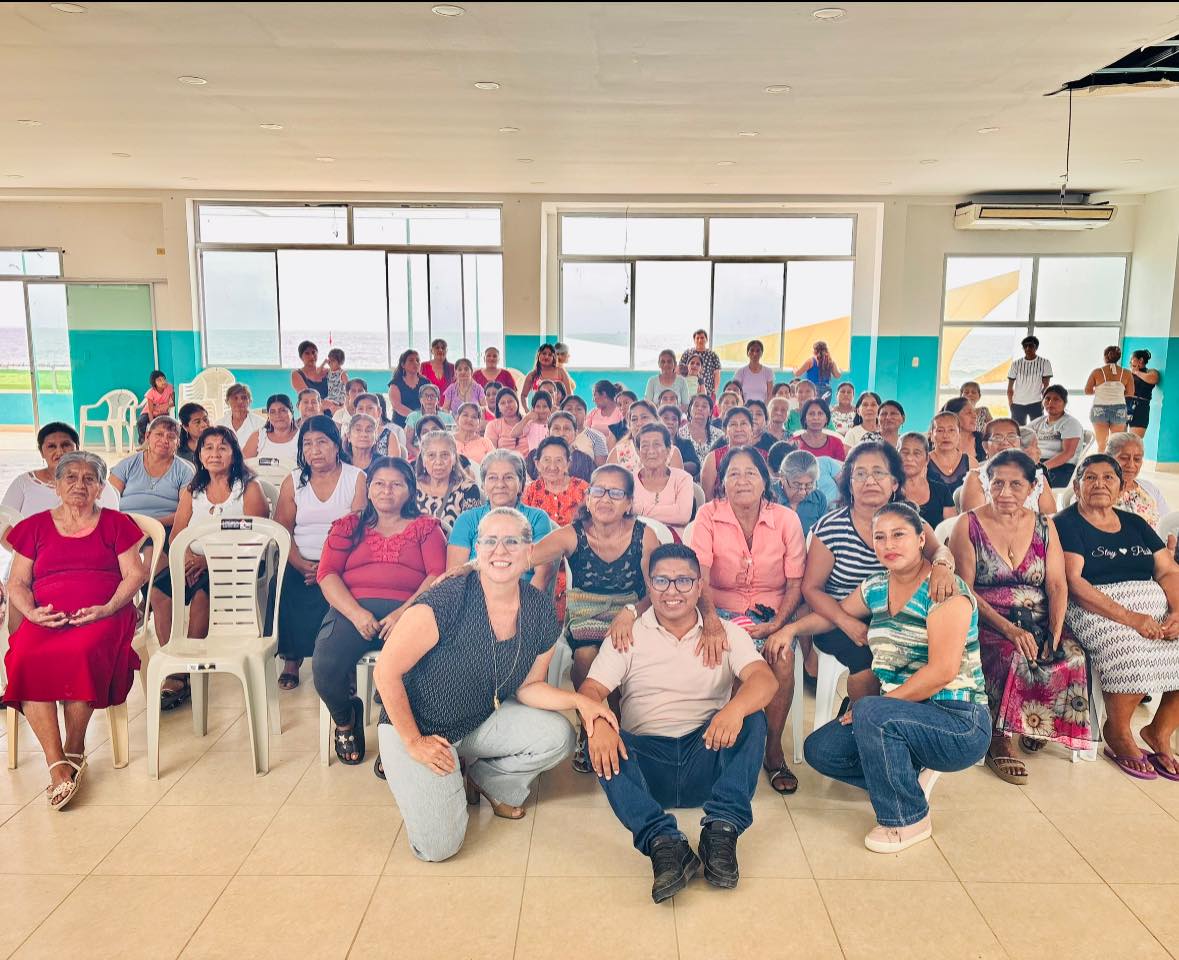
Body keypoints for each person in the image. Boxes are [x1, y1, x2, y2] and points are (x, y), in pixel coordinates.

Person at [375, 507, 613, 859]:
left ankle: (486, 779)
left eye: (511, 541)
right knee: (439, 848)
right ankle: (430, 775)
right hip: (416, 726)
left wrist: (580, 701)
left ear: (529, 550)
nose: (500, 550)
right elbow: (385, 672)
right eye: (490, 541)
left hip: (477, 718)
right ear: (477, 548)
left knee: (557, 736)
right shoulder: (446, 599)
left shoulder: (538, 609)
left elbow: (529, 687)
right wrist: (413, 741)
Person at [580, 543, 777, 901]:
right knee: (598, 733)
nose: (672, 590)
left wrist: (733, 709)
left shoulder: (727, 633)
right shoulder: (628, 635)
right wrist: (602, 725)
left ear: (700, 586)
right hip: (646, 768)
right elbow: (591, 690)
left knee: (752, 717)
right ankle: (664, 842)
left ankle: (721, 830)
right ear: (649, 585)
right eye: (662, 581)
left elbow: (765, 680)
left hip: (706, 753)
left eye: (684, 581)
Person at [803, 503, 989, 853]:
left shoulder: (945, 590)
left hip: (957, 719)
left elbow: (943, 672)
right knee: (821, 750)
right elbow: (833, 616)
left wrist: (876, 707)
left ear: (920, 540)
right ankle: (905, 774)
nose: (888, 544)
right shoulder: (876, 587)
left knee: (870, 710)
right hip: (903, 714)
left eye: (898, 534)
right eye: (880, 537)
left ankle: (908, 819)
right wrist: (787, 631)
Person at [2, 451, 147, 809]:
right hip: (47, 616)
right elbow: (17, 582)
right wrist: (32, 613)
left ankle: (75, 746)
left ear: (100, 488)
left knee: (81, 652)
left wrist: (107, 607)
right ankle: (58, 766)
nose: (79, 485)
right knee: (27, 656)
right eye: (70, 477)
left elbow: (135, 574)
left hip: (104, 614)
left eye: (89, 479)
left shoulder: (116, 523)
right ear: (56, 485)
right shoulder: (35, 526)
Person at [950, 450, 1092, 783]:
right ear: (987, 484)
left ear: (1031, 488)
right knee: (1011, 653)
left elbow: (1056, 584)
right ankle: (999, 737)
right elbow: (963, 588)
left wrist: (1054, 633)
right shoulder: (968, 524)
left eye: (1016, 484)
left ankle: (1036, 719)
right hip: (987, 618)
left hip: (1037, 618)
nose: (1005, 492)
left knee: (1071, 654)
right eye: (997, 483)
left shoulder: (1044, 525)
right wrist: (1009, 629)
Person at [785, 443, 958, 704]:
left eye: (878, 472)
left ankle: (901, 716)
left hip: (896, 615)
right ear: (849, 484)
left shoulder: (908, 522)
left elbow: (940, 551)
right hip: (836, 616)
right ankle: (863, 716)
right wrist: (846, 622)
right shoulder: (831, 528)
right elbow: (811, 588)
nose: (870, 481)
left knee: (927, 653)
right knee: (869, 660)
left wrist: (942, 566)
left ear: (894, 483)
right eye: (860, 474)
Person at [526, 466, 663, 770]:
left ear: (628, 502)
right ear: (588, 498)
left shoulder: (644, 535)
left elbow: (658, 590)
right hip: (585, 612)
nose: (605, 499)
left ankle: (621, 727)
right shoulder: (572, 534)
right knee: (585, 656)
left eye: (616, 493)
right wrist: (473, 566)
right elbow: (527, 556)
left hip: (633, 610)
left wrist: (630, 613)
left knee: (623, 649)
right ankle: (591, 730)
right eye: (598, 491)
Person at [314, 457, 447, 764]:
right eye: (379, 484)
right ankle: (346, 719)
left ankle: (395, 737)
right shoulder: (348, 526)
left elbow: (437, 575)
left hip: (410, 613)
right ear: (369, 489)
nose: (387, 490)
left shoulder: (426, 528)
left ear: (410, 490)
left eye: (396, 484)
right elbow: (327, 574)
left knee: (415, 671)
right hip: (352, 612)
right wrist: (356, 614)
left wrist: (404, 613)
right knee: (325, 667)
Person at [1054, 455, 1179, 780]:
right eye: (1090, 477)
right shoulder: (1067, 523)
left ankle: (1159, 731)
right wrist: (1130, 618)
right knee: (1129, 649)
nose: (1099, 484)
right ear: (1077, 486)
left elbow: (1167, 570)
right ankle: (1118, 732)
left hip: (1152, 610)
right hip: (1096, 609)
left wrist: (1177, 612)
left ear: (1122, 487)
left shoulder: (1136, 524)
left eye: (1108, 478)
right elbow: (1075, 582)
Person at [693, 448, 807, 794]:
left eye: (750, 473)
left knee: (782, 658)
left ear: (765, 480)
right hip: (720, 610)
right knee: (727, 658)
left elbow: (795, 584)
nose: (742, 481)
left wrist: (778, 624)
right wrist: (712, 621)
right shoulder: (708, 516)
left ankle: (773, 748)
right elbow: (700, 579)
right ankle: (731, 747)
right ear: (722, 482)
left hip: (773, 612)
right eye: (733, 474)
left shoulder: (786, 519)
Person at [149, 425, 269, 709]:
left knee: (202, 595)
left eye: (222, 448)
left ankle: (183, 671)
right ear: (200, 455)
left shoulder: (248, 488)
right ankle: (173, 654)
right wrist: (189, 558)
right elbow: (177, 534)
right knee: (158, 591)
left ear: (234, 453)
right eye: (208, 448)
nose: (215, 454)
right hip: (195, 562)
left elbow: (258, 537)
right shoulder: (193, 491)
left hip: (239, 565)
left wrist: (209, 561)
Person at [274, 416, 367, 690]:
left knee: (346, 590)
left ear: (336, 445)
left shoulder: (356, 478)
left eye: (322, 442)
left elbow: (358, 528)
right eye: (307, 444)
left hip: (343, 562)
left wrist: (328, 568)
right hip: (301, 561)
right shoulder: (293, 481)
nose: (314, 450)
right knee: (286, 581)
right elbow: (283, 528)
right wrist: (299, 562)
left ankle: (344, 665)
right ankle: (292, 659)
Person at [447, 449, 554, 591]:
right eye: (492, 478)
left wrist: (526, 603)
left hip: (524, 596)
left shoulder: (537, 518)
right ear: (483, 485)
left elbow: (543, 573)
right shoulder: (467, 520)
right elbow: (455, 576)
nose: (500, 484)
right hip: (474, 597)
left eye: (508, 477)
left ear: (521, 483)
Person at [2, 421, 119, 518]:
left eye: (65, 445)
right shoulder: (23, 483)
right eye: (51, 446)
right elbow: (4, 524)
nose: (59, 452)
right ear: (41, 452)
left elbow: (111, 522)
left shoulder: (96, 483)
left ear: (77, 448)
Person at [108, 415, 195, 524]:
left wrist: (151, 526)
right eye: (159, 434)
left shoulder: (185, 471)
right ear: (147, 436)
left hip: (164, 528)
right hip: (123, 526)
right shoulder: (127, 464)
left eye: (171, 437)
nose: (164, 440)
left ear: (177, 442)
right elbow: (107, 503)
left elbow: (186, 512)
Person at [961, 418, 1057, 515]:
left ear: (1019, 442)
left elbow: (1049, 518)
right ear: (985, 446)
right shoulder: (976, 478)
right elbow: (974, 521)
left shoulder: (1038, 478)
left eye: (1011, 436)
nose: (1005, 442)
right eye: (997, 438)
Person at [630, 423, 695, 536]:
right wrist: (671, 511)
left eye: (657, 444)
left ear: (668, 450)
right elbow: (623, 512)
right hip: (637, 540)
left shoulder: (683, 479)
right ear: (638, 451)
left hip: (674, 542)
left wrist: (638, 510)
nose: (651, 451)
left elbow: (683, 515)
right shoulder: (628, 480)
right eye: (644, 446)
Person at [414, 429, 484, 528]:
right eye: (431, 455)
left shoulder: (468, 489)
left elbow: (471, 530)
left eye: (445, 455)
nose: (438, 462)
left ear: (454, 458)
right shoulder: (412, 487)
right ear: (423, 460)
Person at [701, 406, 767, 500]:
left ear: (752, 429)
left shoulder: (763, 457)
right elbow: (707, 497)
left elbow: (767, 492)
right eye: (733, 424)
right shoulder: (713, 458)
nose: (738, 429)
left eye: (743, 423)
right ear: (725, 431)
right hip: (721, 508)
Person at [1107, 432, 1170, 529]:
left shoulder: (1150, 489)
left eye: (1137, 459)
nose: (1131, 465)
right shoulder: (1099, 492)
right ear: (1108, 458)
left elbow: (1168, 523)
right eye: (1124, 458)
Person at [609, 400, 685, 475]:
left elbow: (678, 482)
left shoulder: (672, 452)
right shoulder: (618, 452)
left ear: (656, 420)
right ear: (629, 425)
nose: (639, 423)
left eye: (644, 417)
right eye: (634, 419)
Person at [1029, 385, 1084, 488]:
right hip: (1038, 464)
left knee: (1027, 484)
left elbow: (1068, 454)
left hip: (1062, 467)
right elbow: (1021, 435)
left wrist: (1042, 468)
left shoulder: (1070, 423)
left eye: (1056, 399)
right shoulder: (1039, 422)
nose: (1050, 403)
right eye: (1047, 399)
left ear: (1064, 403)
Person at [898, 432, 955, 529]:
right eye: (904, 452)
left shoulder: (941, 491)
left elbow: (952, 531)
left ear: (927, 459)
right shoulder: (888, 492)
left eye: (917, 453)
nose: (909, 458)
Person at [1084, 345, 1135, 452]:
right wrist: (1117, 392)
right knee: (1115, 445)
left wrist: (1099, 391)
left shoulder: (1097, 372)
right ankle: (1113, 463)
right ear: (1118, 357)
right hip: (1119, 409)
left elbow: (1087, 391)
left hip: (1099, 408)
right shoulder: (1126, 373)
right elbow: (1130, 393)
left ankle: (1101, 462)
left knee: (1101, 445)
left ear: (1105, 357)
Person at [524, 411, 595, 482]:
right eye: (556, 429)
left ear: (576, 433)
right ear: (548, 433)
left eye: (567, 429)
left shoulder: (585, 460)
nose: (561, 433)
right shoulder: (534, 456)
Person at [773, 449, 828, 536]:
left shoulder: (819, 499)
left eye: (809, 485)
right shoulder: (769, 495)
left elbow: (823, 535)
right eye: (797, 484)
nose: (802, 492)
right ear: (782, 477)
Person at [1007, 336, 1052, 425]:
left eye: (1030, 346)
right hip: (1017, 404)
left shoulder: (1044, 363)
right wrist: (1011, 404)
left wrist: (1043, 403)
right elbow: (1010, 388)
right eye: (1025, 346)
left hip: (1036, 403)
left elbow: (1046, 386)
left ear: (1036, 347)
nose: (1027, 348)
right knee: (1018, 430)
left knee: (1037, 429)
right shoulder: (1016, 364)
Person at [926, 411, 975, 494]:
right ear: (931, 436)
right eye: (940, 430)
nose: (946, 435)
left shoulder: (971, 463)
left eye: (951, 430)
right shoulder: (923, 462)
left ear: (959, 434)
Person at [242, 394, 300, 463]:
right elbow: (242, 463)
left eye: (282, 410)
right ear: (268, 416)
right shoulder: (259, 436)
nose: (277, 415)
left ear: (292, 412)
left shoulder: (302, 437)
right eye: (272, 412)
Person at [353, 392, 405, 459]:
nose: (364, 412)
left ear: (379, 411)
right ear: (355, 412)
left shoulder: (389, 436)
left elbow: (393, 464)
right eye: (360, 409)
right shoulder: (349, 436)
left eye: (370, 408)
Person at [562, 395, 609, 466]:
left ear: (586, 414)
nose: (574, 413)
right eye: (569, 409)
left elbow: (602, 469)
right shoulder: (555, 436)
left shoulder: (596, 438)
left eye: (578, 409)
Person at [519, 344, 572, 408]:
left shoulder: (560, 372)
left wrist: (565, 410)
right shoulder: (532, 375)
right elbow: (523, 396)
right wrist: (526, 410)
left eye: (550, 355)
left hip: (558, 411)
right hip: (538, 411)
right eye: (544, 353)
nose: (546, 357)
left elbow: (569, 395)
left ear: (554, 357)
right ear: (538, 355)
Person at [679, 393, 725, 463]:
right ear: (690, 410)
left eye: (704, 406)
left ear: (710, 412)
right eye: (696, 405)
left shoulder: (719, 435)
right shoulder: (680, 434)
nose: (700, 409)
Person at [484, 388, 531, 455]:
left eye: (510, 401)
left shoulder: (528, 421)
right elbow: (491, 453)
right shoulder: (493, 425)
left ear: (517, 403)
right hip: (503, 461)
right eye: (503, 403)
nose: (507, 405)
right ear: (498, 408)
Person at [941, 396, 987, 461]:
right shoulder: (940, 441)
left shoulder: (983, 440)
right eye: (969, 413)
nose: (975, 416)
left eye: (974, 412)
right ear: (954, 416)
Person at [1127, 349, 1159, 439]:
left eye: (1132, 359)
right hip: (1125, 405)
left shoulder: (1151, 372)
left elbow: (1154, 379)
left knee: (1135, 440)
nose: (1130, 361)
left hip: (1141, 407)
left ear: (1141, 360)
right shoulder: (1127, 373)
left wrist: (1136, 372)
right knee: (1118, 439)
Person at [388, 348, 424, 428]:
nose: (415, 363)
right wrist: (416, 418)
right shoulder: (395, 384)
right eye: (411, 360)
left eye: (417, 360)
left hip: (422, 424)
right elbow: (397, 406)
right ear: (403, 365)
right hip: (400, 425)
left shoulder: (425, 382)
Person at [679, 330, 722, 396]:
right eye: (697, 338)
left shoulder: (713, 355)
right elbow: (679, 370)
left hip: (708, 390)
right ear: (694, 340)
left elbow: (717, 374)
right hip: (687, 389)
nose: (700, 340)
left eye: (702, 338)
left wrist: (714, 391)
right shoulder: (687, 353)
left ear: (706, 340)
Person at [136, 369, 174, 443]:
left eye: (164, 379)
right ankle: (143, 442)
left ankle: (162, 442)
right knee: (141, 421)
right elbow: (150, 411)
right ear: (154, 383)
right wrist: (152, 424)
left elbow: (173, 402)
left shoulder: (169, 388)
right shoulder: (151, 393)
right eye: (159, 380)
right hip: (148, 413)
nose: (163, 382)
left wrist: (166, 405)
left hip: (162, 412)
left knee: (165, 424)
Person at [452, 401, 494, 466]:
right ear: (457, 418)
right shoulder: (448, 440)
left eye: (474, 417)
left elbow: (494, 464)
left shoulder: (485, 442)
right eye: (465, 415)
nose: (469, 419)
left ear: (479, 423)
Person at [733, 339, 775, 404]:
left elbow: (770, 394)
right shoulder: (740, 372)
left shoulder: (768, 372)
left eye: (758, 351)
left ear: (761, 353)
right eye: (752, 350)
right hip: (745, 407)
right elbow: (736, 393)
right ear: (747, 353)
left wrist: (765, 408)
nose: (755, 353)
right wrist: (742, 407)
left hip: (763, 407)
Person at [322, 348, 349, 415]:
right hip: (330, 397)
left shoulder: (342, 373)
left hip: (338, 399)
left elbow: (348, 388)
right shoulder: (329, 371)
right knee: (318, 404)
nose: (330, 363)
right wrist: (324, 363)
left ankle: (337, 410)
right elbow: (318, 372)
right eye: (329, 360)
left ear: (340, 362)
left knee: (320, 405)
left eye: (333, 361)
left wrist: (346, 403)